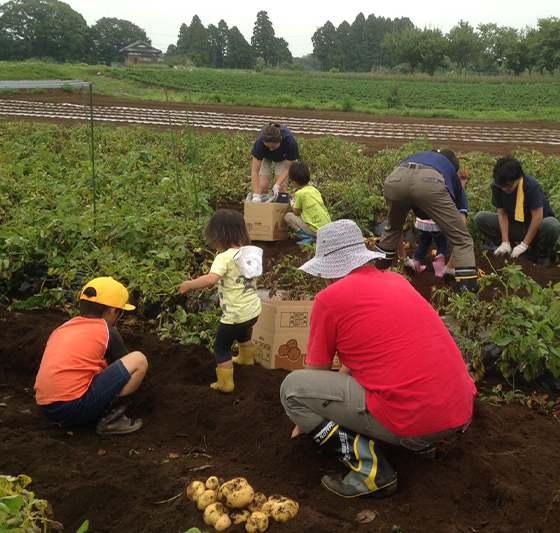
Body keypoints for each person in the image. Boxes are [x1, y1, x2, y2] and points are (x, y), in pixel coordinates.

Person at [280, 220, 476, 498]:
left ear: (327, 272)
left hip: (413, 421)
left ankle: (368, 470)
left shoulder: (329, 299)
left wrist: (305, 422)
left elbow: (315, 377)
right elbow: (371, 353)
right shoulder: (397, 281)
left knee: (292, 389)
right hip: (457, 409)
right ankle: (421, 446)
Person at [34, 277, 149, 436]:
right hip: (74, 407)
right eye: (119, 312)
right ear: (111, 310)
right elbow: (123, 364)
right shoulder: (106, 330)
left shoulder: (62, 328)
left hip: (46, 407)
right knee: (138, 360)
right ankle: (111, 420)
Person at [179, 209, 263, 393]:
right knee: (242, 332)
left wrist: (190, 284)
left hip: (235, 313)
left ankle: (225, 383)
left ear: (218, 236)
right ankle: (246, 359)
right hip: (253, 311)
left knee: (221, 346)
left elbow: (211, 279)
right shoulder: (249, 254)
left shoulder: (223, 257)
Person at [374, 148, 477, 292]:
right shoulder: (450, 172)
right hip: (430, 183)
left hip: (396, 178)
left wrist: (404, 258)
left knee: (392, 229)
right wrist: (450, 267)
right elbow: (461, 227)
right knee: (463, 240)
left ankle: (373, 281)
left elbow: (396, 230)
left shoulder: (420, 156)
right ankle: (469, 301)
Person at [474, 156, 560, 266]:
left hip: (536, 229)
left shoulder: (531, 186)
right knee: (480, 218)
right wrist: (505, 242)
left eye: (509, 187)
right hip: (515, 226)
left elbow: (537, 218)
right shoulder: (497, 186)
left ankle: (540, 253)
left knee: (552, 225)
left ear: (518, 179)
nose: (505, 189)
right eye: (502, 186)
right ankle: (507, 247)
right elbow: (502, 214)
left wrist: (524, 245)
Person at [406, 169, 469, 277]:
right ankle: (439, 269)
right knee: (442, 243)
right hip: (438, 222)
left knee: (424, 242)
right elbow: (456, 199)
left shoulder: (423, 181)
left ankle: (416, 263)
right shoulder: (443, 182)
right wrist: (462, 182)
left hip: (422, 222)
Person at [249, 122, 299, 202]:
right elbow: (255, 170)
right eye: (268, 146)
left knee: (281, 187)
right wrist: (256, 194)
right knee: (262, 187)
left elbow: (287, 168)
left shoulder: (290, 141)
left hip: (281, 157)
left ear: (280, 140)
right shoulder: (260, 142)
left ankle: (278, 211)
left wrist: (277, 185)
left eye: (273, 147)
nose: (271, 149)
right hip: (265, 157)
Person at [284, 162, 331, 246]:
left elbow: (296, 212)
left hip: (315, 231)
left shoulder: (299, 194)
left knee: (288, 217)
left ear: (293, 182)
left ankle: (309, 238)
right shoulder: (315, 190)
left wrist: (292, 202)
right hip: (327, 229)